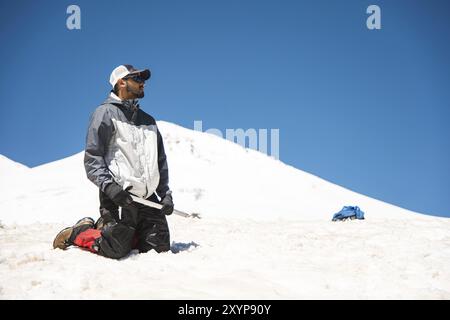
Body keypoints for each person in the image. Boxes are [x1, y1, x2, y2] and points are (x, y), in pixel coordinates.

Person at [53, 64, 174, 259]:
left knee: (158, 251)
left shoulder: (149, 121)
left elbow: (160, 162)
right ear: (121, 82)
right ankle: (80, 231)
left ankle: (110, 228)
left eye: (144, 80)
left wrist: (165, 194)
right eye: (138, 79)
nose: (143, 84)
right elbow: (93, 159)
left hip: (148, 198)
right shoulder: (104, 113)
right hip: (119, 195)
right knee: (116, 249)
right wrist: (110, 189)